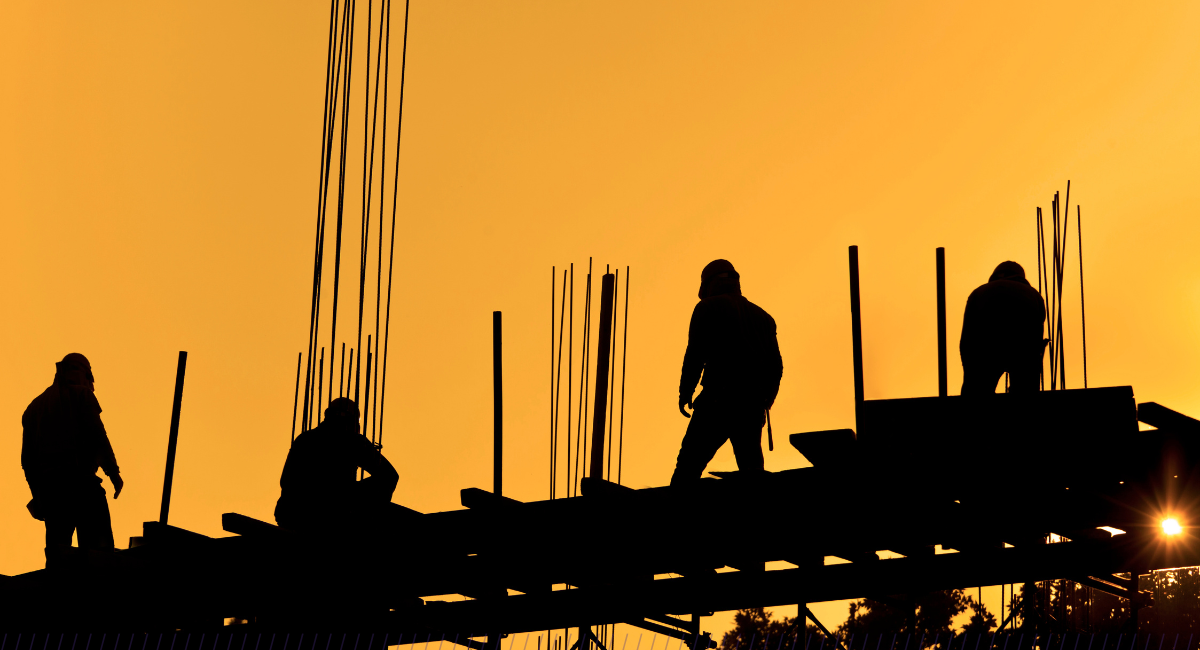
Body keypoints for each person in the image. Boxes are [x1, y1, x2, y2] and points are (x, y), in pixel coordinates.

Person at [671, 260, 783, 485]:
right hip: (750, 406)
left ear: (709, 284)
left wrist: (685, 392)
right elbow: (776, 367)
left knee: (687, 470)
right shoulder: (764, 318)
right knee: (753, 474)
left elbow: (695, 354)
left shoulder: (707, 307)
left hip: (717, 402)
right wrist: (763, 402)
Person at [22, 353, 124, 554]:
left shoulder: (32, 409)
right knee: (99, 554)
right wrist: (113, 473)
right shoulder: (81, 396)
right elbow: (98, 438)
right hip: (82, 486)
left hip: (52, 494)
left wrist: (39, 495)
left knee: (58, 556)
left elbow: (28, 462)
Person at [275, 397, 399, 532]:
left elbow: (286, 481)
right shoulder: (352, 441)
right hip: (331, 517)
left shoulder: (305, 438)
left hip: (291, 515)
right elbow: (389, 476)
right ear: (353, 421)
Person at [959, 261, 1047, 395]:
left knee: (977, 393)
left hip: (986, 349)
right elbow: (1037, 334)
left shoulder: (979, 292)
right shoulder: (1034, 294)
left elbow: (967, 337)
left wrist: (970, 375)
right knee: (1024, 392)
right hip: (1022, 349)